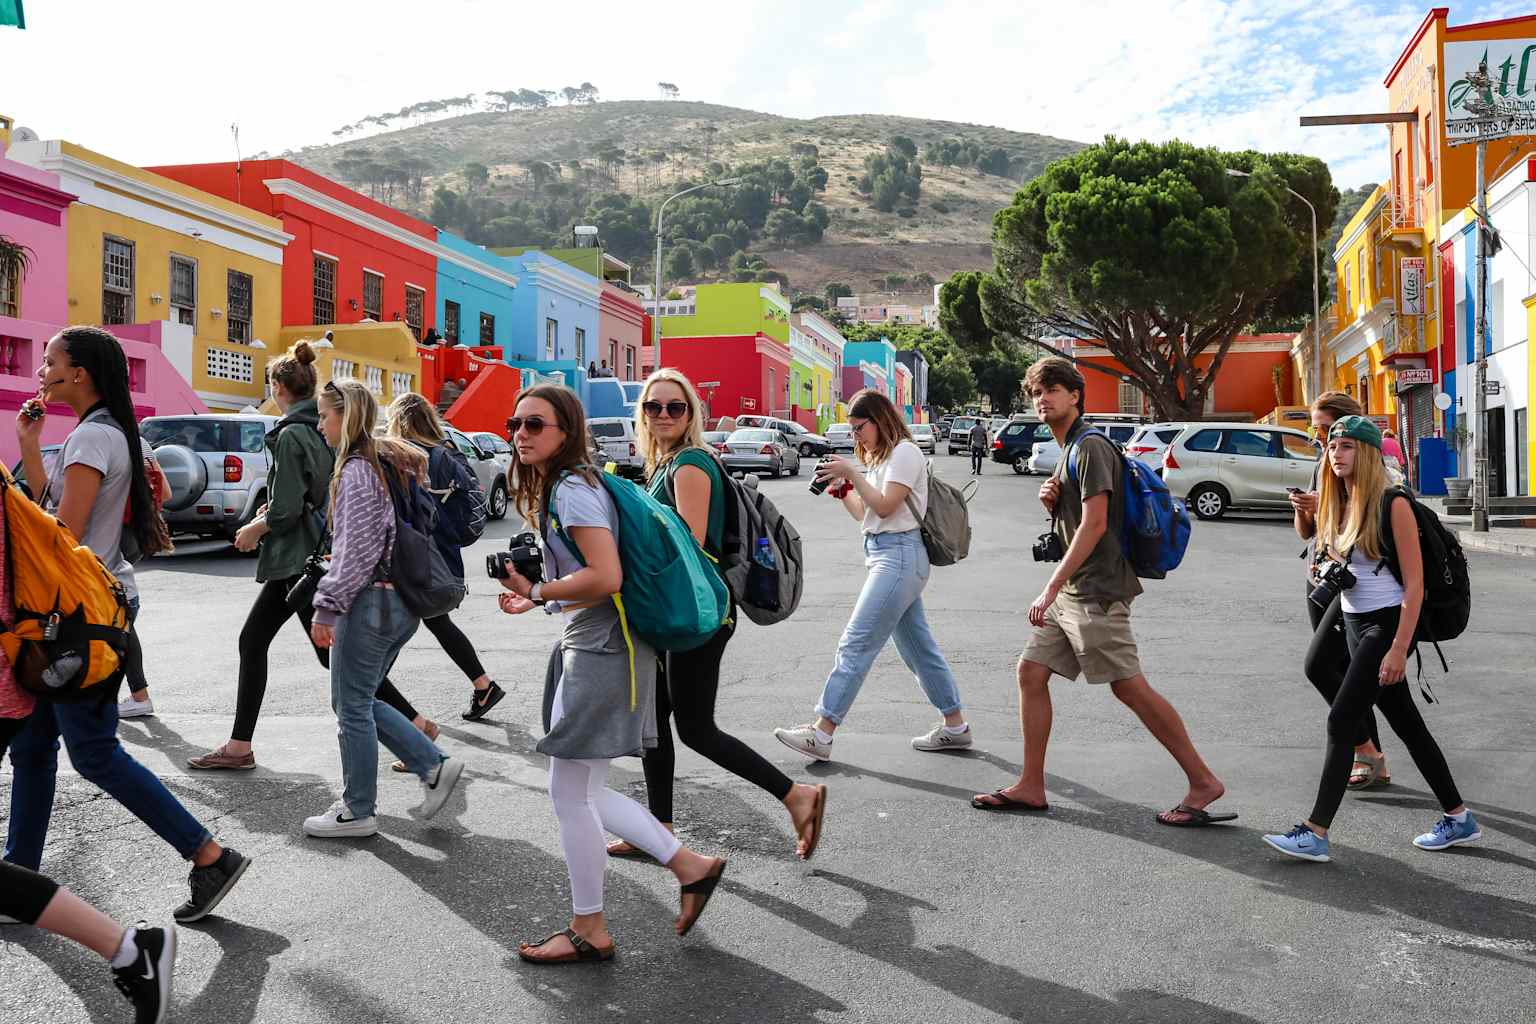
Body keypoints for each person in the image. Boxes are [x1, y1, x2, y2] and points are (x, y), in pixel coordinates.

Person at [8, 326, 251, 923]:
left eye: (50, 361)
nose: (42, 371)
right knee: (33, 747)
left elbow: (60, 536)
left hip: (75, 617)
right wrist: (31, 447)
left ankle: (210, 856)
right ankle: (18, 881)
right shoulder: (110, 432)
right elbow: (58, 515)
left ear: (80, 374)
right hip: (85, 607)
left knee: (92, 753)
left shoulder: (93, 437)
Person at [496, 384, 727, 964]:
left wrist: (539, 591)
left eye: (535, 425)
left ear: (566, 431)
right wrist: (543, 598)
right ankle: (688, 867)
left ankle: (590, 927)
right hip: (602, 641)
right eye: (515, 424)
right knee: (583, 791)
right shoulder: (575, 484)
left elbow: (606, 577)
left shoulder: (572, 489)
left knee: (570, 795)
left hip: (603, 649)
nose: (521, 434)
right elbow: (596, 580)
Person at [972, 357, 1231, 825]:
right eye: (1037, 392)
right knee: (1031, 672)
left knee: (1129, 687)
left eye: (1053, 389)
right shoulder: (1071, 447)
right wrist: (1052, 502)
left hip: (1097, 589)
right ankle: (1031, 785)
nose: (1043, 399)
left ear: (1075, 395)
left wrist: (1049, 587)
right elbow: (1083, 517)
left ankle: (1203, 781)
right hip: (1074, 589)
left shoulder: (1090, 446)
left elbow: (1094, 525)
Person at [604, 369, 827, 863]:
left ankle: (797, 795)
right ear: (642, 414)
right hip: (677, 612)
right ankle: (657, 831)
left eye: (675, 407)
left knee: (696, 729)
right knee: (654, 722)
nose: (663, 415)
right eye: (653, 407)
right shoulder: (665, 464)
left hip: (697, 615)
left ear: (691, 414)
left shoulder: (690, 464)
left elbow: (687, 543)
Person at [187, 343, 434, 771]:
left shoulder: (292, 434)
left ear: (278, 388)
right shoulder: (325, 430)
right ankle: (241, 744)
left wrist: (255, 527)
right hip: (316, 552)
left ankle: (417, 735)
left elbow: (286, 509)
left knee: (318, 659)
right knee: (276, 645)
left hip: (299, 559)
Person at [1263, 416, 1478, 862]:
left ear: (1367, 454)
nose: (1335, 454)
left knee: (1341, 721)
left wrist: (1399, 648)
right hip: (1352, 617)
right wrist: (1306, 512)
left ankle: (1315, 832)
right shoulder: (1338, 498)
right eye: (1331, 446)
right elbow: (1315, 541)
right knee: (1401, 719)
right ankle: (1459, 818)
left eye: (1346, 446)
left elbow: (1415, 585)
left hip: (1386, 624)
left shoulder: (1392, 503)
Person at [0, 478, 176, 1023]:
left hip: (10, 682)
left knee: (93, 756)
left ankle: (132, 948)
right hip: (15, 678)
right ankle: (131, 950)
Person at [301, 380, 466, 838]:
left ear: (347, 416)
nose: (320, 425)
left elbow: (355, 551)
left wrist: (326, 607)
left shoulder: (357, 471)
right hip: (401, 602)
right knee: (358, 699)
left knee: (351, 705)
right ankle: (431, 765)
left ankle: (359, 810)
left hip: (372, 601)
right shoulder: (388, 463)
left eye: (325, 416)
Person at [774, 388, 971, 762]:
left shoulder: (905, 453)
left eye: (859, 428)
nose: (855, 436)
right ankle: (955, 726)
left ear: (880, 420)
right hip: (886, 555)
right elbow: (864, 513)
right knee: (918, 650)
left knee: (856, 642)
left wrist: (852, 472)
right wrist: (843, 489)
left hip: (900, 557)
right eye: (851, 430)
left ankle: (822, 732)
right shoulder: (882, 459)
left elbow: (885, 507)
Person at [385, 392, 505, 724]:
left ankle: (391, 711)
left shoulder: (404, 456)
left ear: (398, 421)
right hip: (443, 557)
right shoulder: (446, 453)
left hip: (414, 560)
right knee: (436, 620)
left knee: (390, 633)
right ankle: (484, 685)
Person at [1289, 391, 1389, 791]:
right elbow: (1308, 533)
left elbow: (1371, 520)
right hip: (1321, 576)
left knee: (1333, 670)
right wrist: (1303, 509)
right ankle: (1371, 754)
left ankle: (1366, 750)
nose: (1323, 439)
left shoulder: (1371, 468)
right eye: (1318, 431)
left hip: (1357, 583)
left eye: (1328, 429)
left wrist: (1329, 507)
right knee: (1341, 673)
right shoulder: (1324, 463)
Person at [114, 444, 170, 720]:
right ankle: (135, 694)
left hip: (115, 536)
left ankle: (138, 695)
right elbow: (166, 493)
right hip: (139, 535)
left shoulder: (100, 440)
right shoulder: (143, 444)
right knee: (119, 613)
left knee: (118, 616)